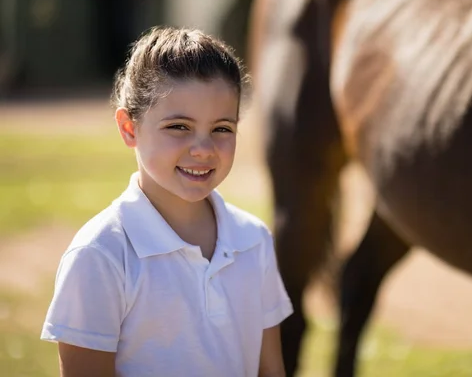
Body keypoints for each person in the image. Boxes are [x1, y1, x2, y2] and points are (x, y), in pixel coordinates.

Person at [40, 26, 293, 377]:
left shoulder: (253, 240)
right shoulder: (100, 255)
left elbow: (270, 369)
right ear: (129, 128)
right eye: (179, 127)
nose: (203, 149)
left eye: (222, 128)